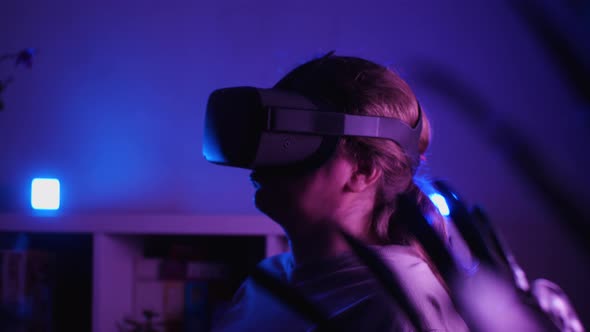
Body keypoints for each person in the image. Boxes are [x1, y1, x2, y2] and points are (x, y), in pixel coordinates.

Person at [210, 54, 469, 331]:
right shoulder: (266, 281)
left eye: (292, 140)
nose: (263, 160)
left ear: (363, 170)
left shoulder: (402, 305)